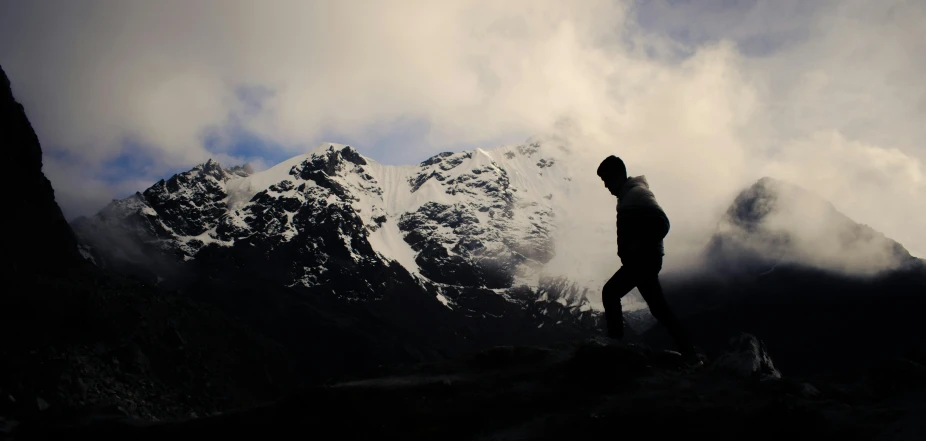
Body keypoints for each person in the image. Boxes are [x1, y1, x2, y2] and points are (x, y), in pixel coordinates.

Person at [597, 155, 700, 363]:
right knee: (659, 308)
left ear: (617, 176)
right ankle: (690, 353)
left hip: (642, 261)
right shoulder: (630, 195)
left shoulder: (637, 195)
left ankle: (615, 342)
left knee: (610, 292)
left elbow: (662, 223)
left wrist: (638, 246)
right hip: (644, 260)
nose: (606, 186)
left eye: (607, 180)